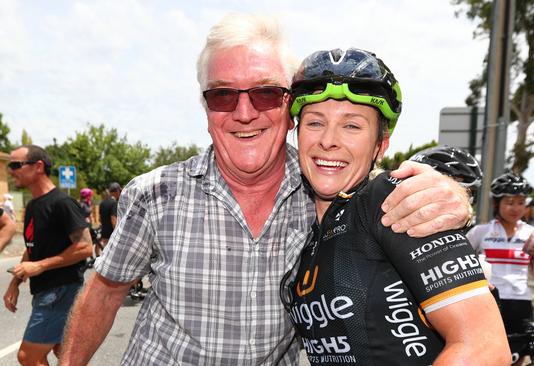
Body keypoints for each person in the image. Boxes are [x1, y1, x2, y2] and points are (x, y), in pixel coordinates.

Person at [60, 15, 473, 365]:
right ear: (205, 107)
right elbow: (105, 291)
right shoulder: (154, 194)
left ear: (288, 104)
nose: (244, 113)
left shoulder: (323, 188)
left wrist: (454, 194)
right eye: (222, 94)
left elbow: (375, 174)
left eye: (265, 93)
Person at [280, 48, 509, 365]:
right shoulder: (304, 218)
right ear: (297, 134)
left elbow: (486, 349)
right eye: (315, 123)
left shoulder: (393, 201)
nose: (328, 140)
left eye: (352, 126)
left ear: (380, 145)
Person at [4, 145, 92, 366]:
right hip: (46, 290)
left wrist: (40, 266)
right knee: (64, 352)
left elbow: (85, 247)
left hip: (60, 290)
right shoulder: (34, 205)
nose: (10, 170)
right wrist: (15, 282)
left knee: (28, 356)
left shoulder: (62, 203)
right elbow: (32, 248)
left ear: (38, 166)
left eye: (16, 165)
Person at [466, 173, 534, 365]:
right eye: (509, 202)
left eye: (521, 202)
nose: (516, 208)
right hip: (489, 301)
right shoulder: (481, 232)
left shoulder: (531, 233)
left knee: (517, 357)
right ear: (497, 203)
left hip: (521, 303)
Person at [98, 182, 121, 253]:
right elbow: (113, 220)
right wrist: (118, 233)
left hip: (104, 233)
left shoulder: (102, 203)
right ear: (117, 191)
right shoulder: (114, 203)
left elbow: (99, 219)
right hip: (112, 235)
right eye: (120, 191)